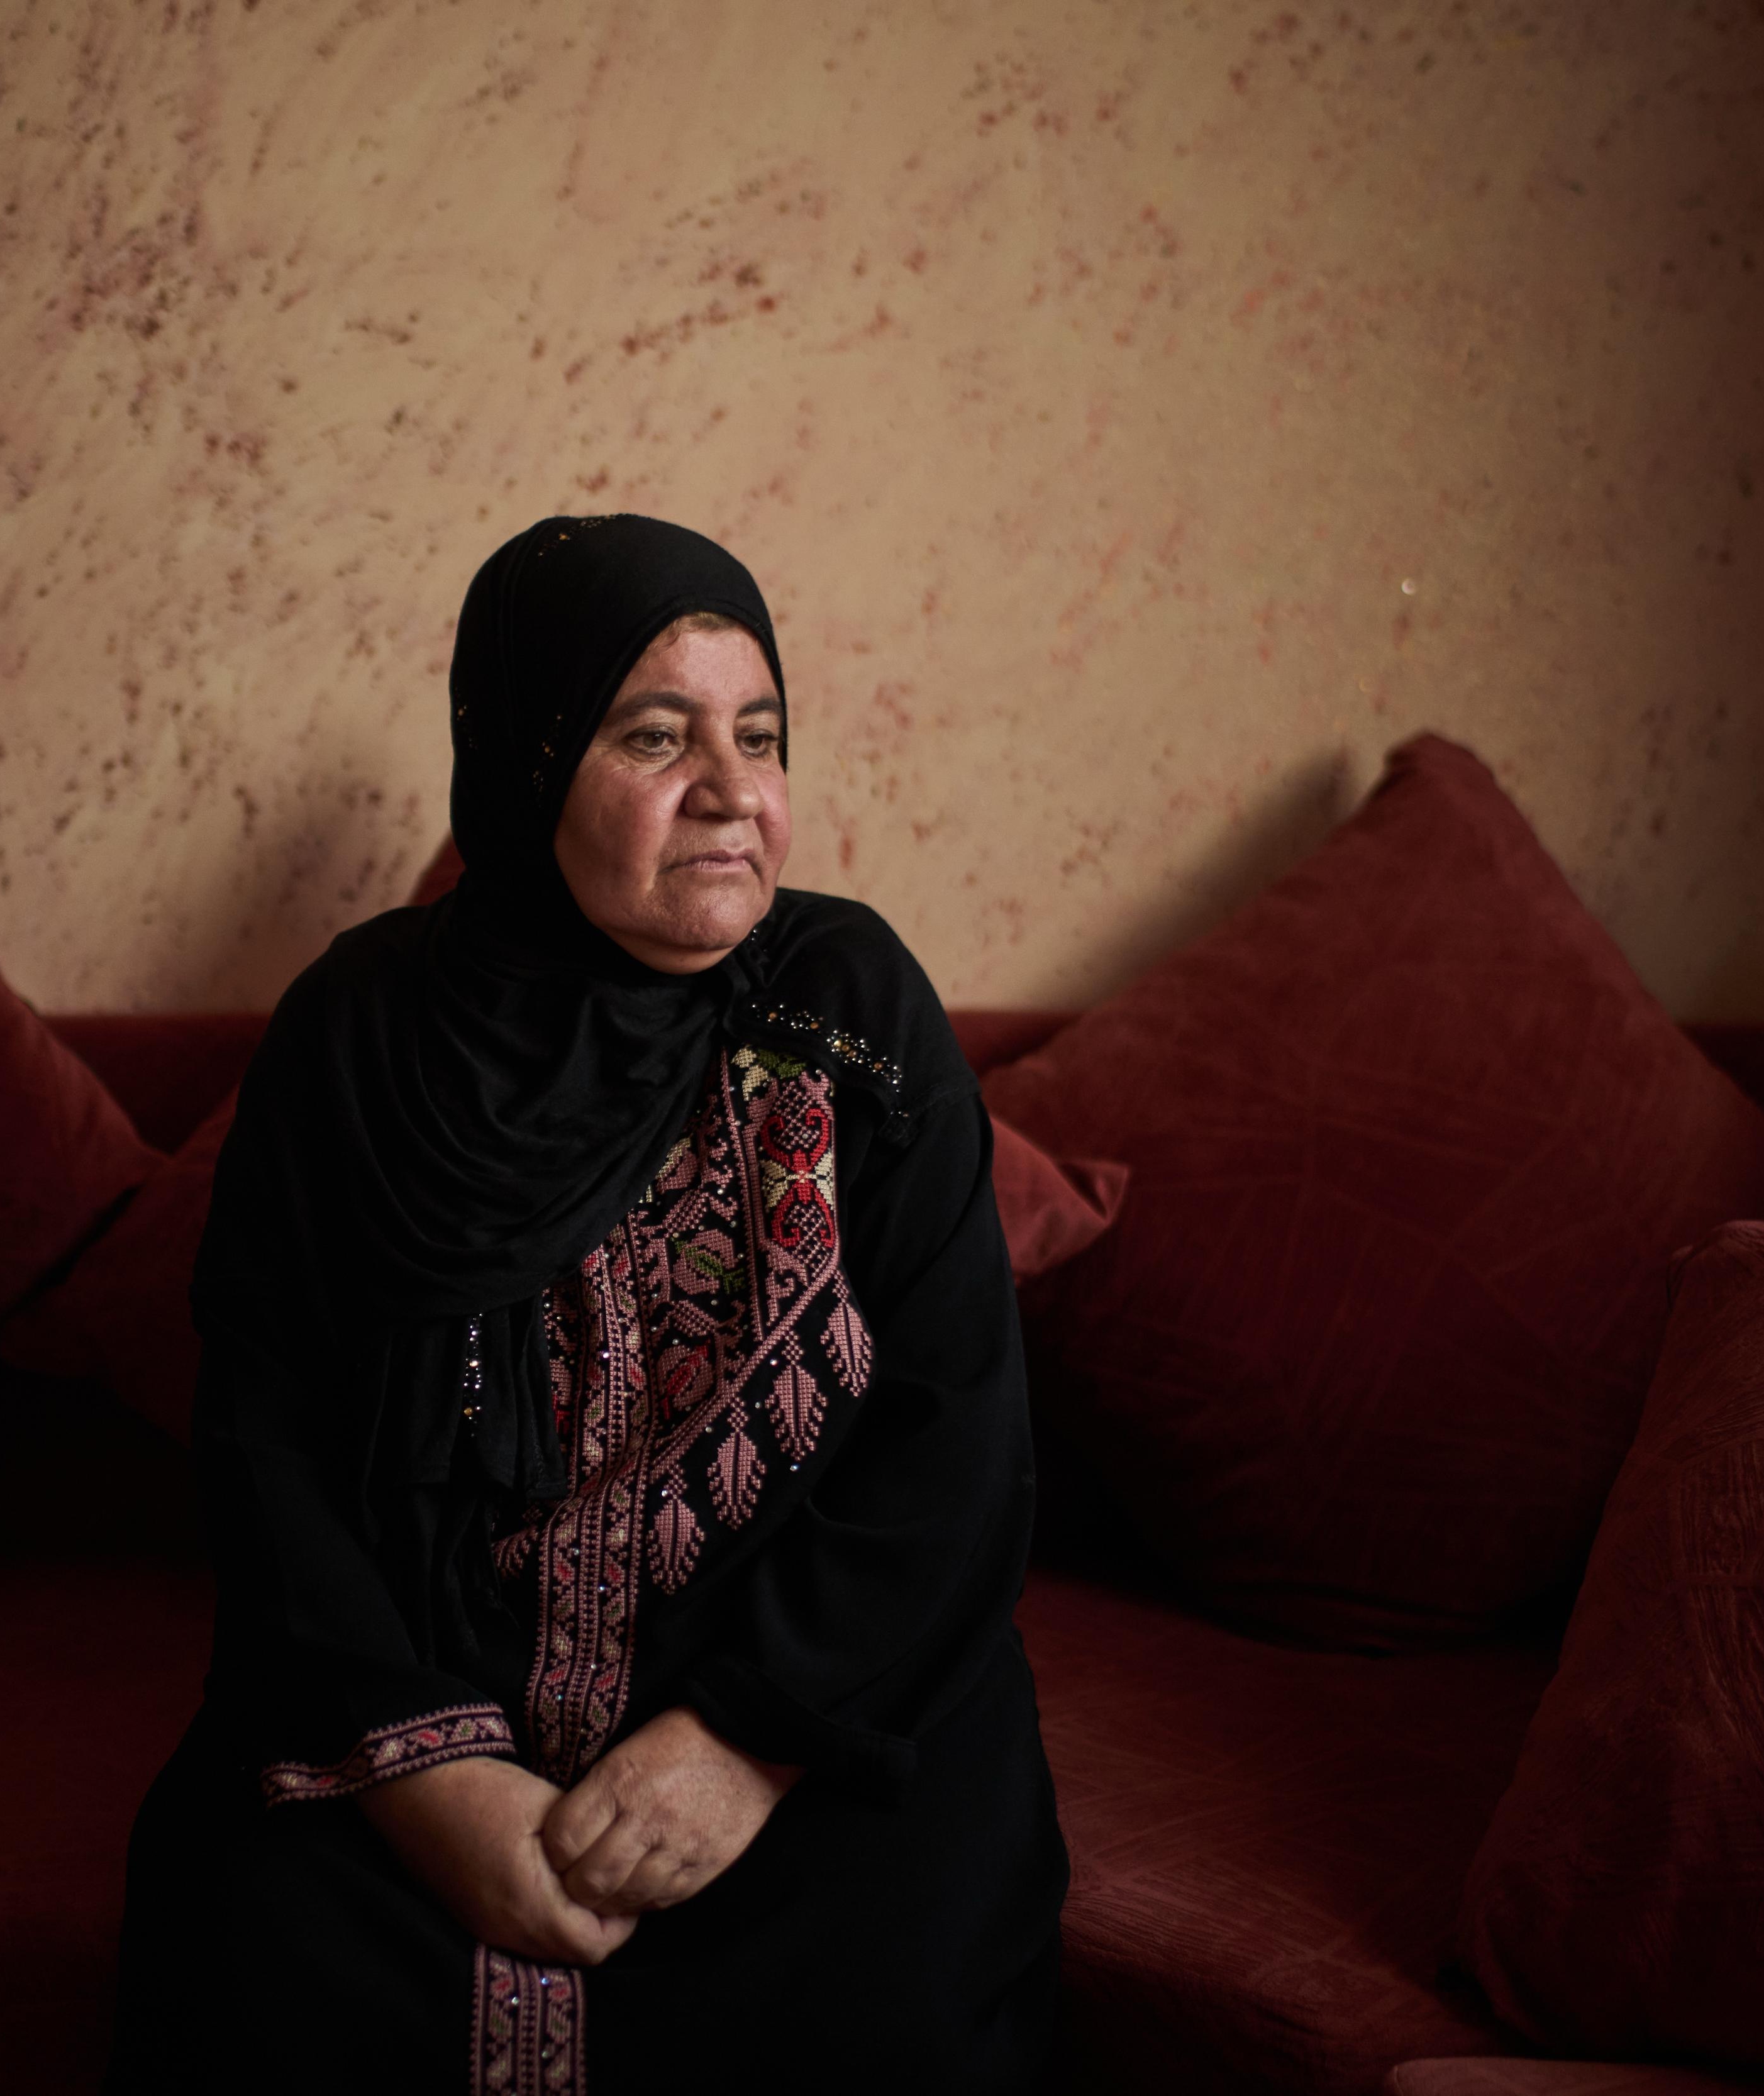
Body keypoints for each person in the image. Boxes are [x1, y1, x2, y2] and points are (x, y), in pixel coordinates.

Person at [108, 514, 1066, 2094]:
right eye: (655, 735)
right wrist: (433, 1780)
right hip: (411, 1712)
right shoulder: (360, 1035)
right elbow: (266, 1435)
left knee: (874, 2000)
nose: (732, 791)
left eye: (760, 736)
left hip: (811, 1724)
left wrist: (742, 1743)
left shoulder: (850, 1010)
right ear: (528, 761)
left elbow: (955, 1434)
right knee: (260, 1968)